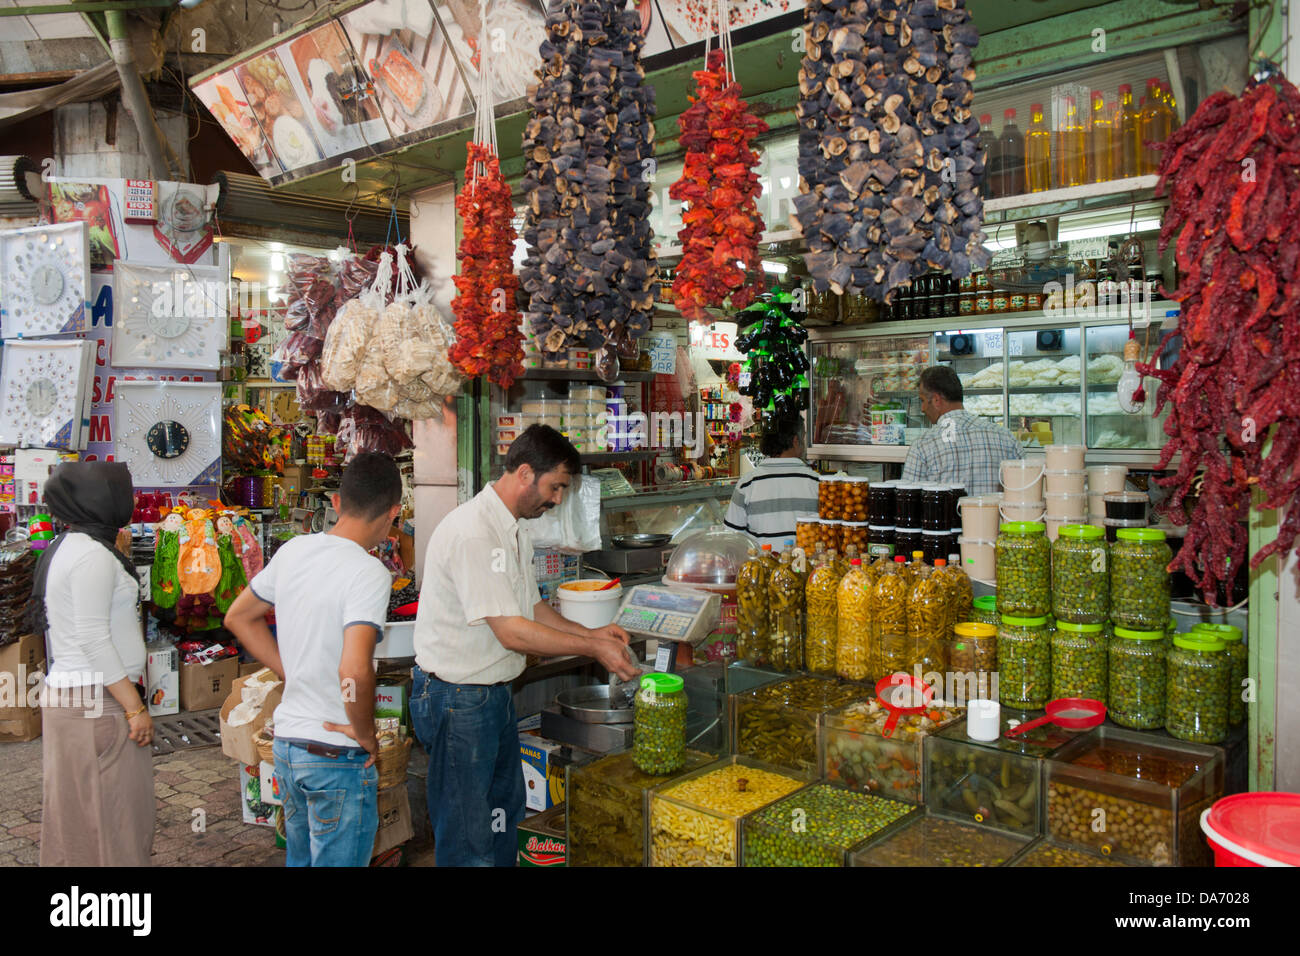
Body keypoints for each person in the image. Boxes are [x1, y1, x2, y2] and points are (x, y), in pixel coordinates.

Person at [411, 424, 640, 867]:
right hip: (457, 700)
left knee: (501, 819)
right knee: (467, 835)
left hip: (490, 696)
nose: (556, 499)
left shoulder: (512, 529)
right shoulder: (475, 531)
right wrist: (593, 651)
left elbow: (532, 608)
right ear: (522, 473)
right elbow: (512, 631)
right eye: (554, 487)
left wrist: (592, 635)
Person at [224, 452, 402, 867]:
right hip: (335, 755)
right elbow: (354, 668)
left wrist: (292, 671)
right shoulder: (368, 572)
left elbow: (239, 617)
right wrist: (364, 733)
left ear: (337, 503)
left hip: (288, 747)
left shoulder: (294, 551)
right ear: (395, 512)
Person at [33, 461, 154, 867]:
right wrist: (133, 706)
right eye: (126, 492)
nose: (133, 500)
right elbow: (92, 636)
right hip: (97, 702)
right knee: (118, 821)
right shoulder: (91, 557)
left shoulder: (75, 546)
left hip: (76, 698)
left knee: (80, 821)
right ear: (101, 500)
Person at [902, 365, 1023, 495]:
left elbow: (909, 500)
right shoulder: (1005, 437)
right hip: (993, 515)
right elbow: (1024, 492)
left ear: (937, 400)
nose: (922, 408)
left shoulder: (923, 445)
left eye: (923, 400)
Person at [723, 413, 820, 545]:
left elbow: (732, 539)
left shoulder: (747, 484)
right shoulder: (817, 483)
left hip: (762, 564)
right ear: (796, 441)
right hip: (805, 565)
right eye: (803, 436)